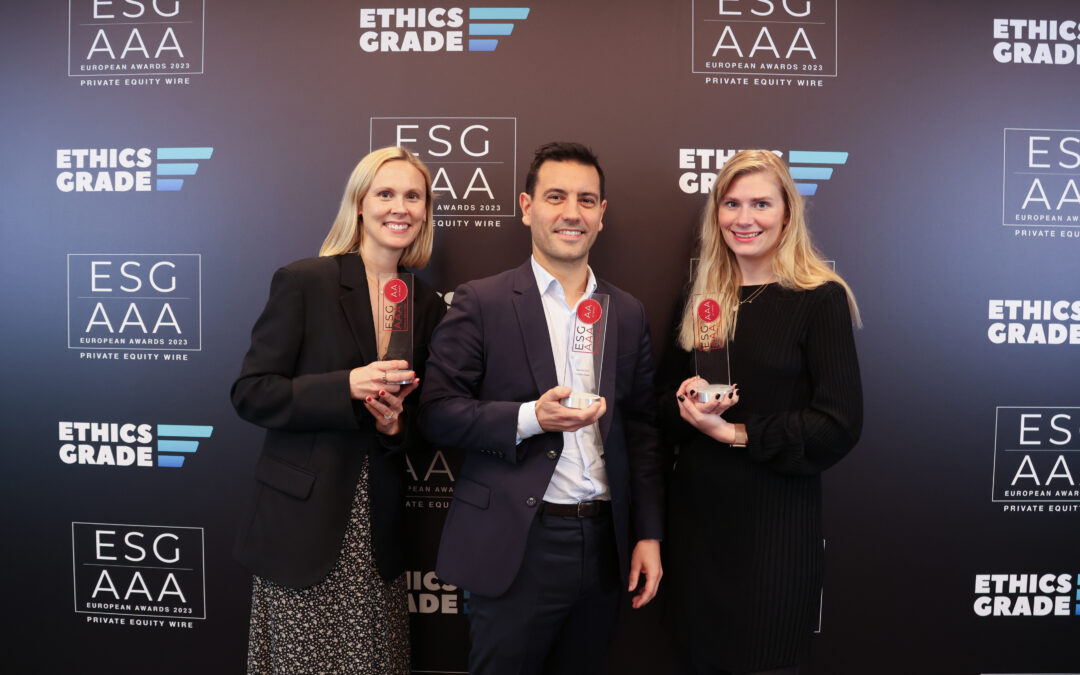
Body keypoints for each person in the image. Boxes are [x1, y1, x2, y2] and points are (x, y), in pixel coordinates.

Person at [419, 142, 665, 675]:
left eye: (586, 200)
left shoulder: (626, 312)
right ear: (527, 207)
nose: (572, 212)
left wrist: (647, 533)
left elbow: (643, 431)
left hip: (604, 545)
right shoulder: (481, 301)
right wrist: (531, 418)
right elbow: (436, 411)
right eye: (556, 197)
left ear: (602, 214)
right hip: (518, 544)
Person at [231, 146, 446, 674]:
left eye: (413, 196)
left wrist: (395, 424)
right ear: (359, 203)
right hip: (301, 526)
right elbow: (252, 392)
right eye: (386, 193)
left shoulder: (424, 303)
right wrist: (345, 385)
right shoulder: (306, 281)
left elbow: (426, 419)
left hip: (379, 530)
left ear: (425, 212)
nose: (400, 208)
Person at [660, 149, 863, 675]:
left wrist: (733, 432)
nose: (744, 218)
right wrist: (686, 404)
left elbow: (838, 425)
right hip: (698, 533)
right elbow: (658, 412)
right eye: (731, 203)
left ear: (787, 213)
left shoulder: (819, 299)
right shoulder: (701, 300)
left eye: (760, 204)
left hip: (775, 535)